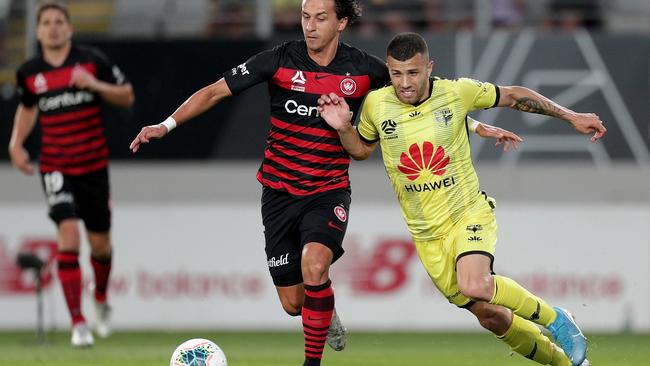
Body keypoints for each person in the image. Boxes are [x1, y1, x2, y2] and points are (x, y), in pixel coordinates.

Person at [129, 1, 520, 365]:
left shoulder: (366, 70)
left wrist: (476, 124)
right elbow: (215, 90)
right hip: (278, 192)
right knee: (293, 303)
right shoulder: (278, 60)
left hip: (327, 189)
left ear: (341, 22)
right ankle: (325, 310)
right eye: (305, 16)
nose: (310, 26)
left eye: (320, 17)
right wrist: (166, 125)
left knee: (315, 265)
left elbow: (418, 102)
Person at [317, 32, 605, 366]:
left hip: (467, 213)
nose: (405, 83)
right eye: (397, 74)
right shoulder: (377, 105)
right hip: (427, 236)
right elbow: (363, 150)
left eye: (413, 73)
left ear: (429, 68)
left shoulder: (456, 92)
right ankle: (569, 364)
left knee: (475, 283)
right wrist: (343, 128)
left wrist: (571, 116)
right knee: (491, 316)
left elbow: (514, 95)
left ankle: (557, 320)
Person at [9, 1, 134, 347]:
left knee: (101, 246)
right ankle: (78, 323)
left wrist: (94, 85)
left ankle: (101, 300)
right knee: (68, 235)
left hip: (93, 167)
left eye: (58, 22)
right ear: (37, 31)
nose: (52, 27)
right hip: (55, 166)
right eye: (46, 22)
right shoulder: (30, 73)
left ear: (69, 28)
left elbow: (126, 95)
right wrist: (16, 144)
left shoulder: (91, 61)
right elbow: (28, 108)